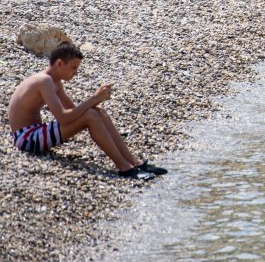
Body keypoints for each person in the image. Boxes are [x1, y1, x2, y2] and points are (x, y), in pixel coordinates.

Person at [7, 42, 166, 180]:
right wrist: (94, 99)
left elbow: (72, 110)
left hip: (35, 133)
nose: (75, 73)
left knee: (98, 112)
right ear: (60, 64)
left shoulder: (54, 81)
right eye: (73, 68)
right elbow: (63, 118)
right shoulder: (45, 81)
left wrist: (96, 103)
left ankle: (135, 163)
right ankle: (125, 168)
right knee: (91, 115)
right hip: (27, 139)